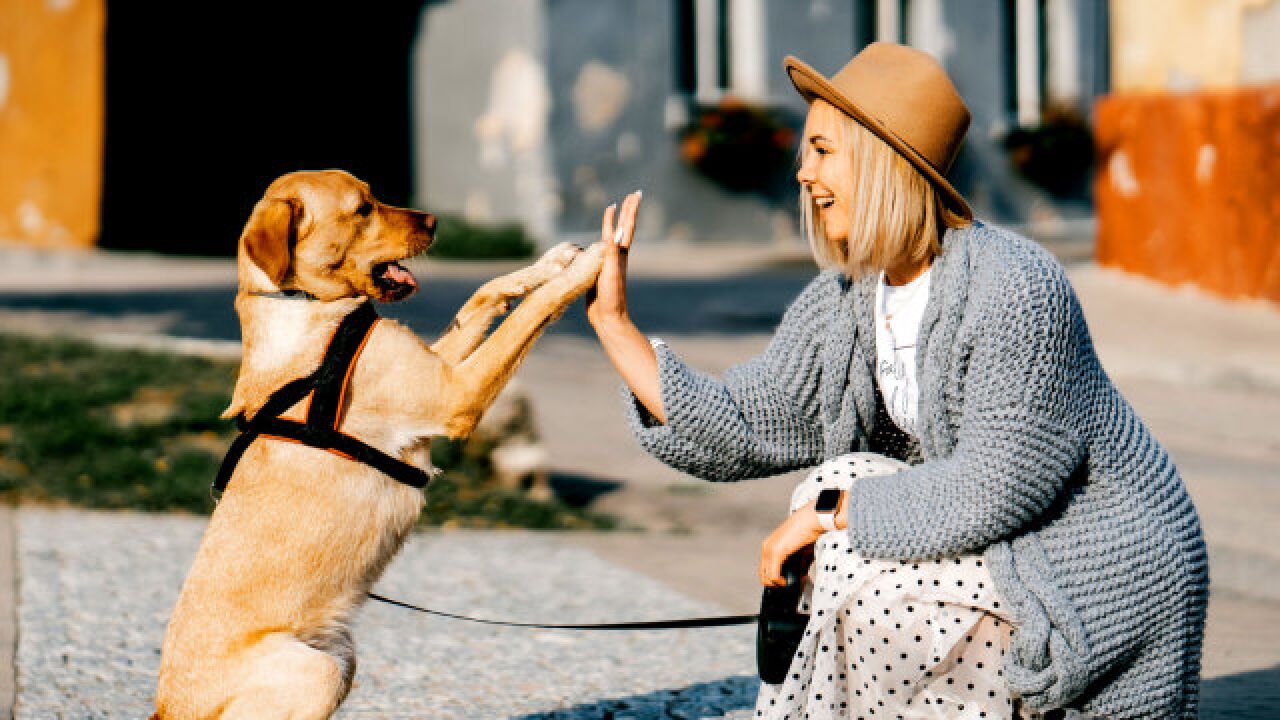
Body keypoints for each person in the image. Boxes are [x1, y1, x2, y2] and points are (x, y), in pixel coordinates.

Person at [584, 43, 1208, 719]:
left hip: (1092, 560)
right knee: (837, 485)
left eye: (822, 150)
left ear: (884, 158)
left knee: (847, 541)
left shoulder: (1016, 285)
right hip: (1002, 545)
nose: (802, 173)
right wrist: (617, 325)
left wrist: (827, 520)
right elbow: (746, 423)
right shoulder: (850, 297)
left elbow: (994, 486)